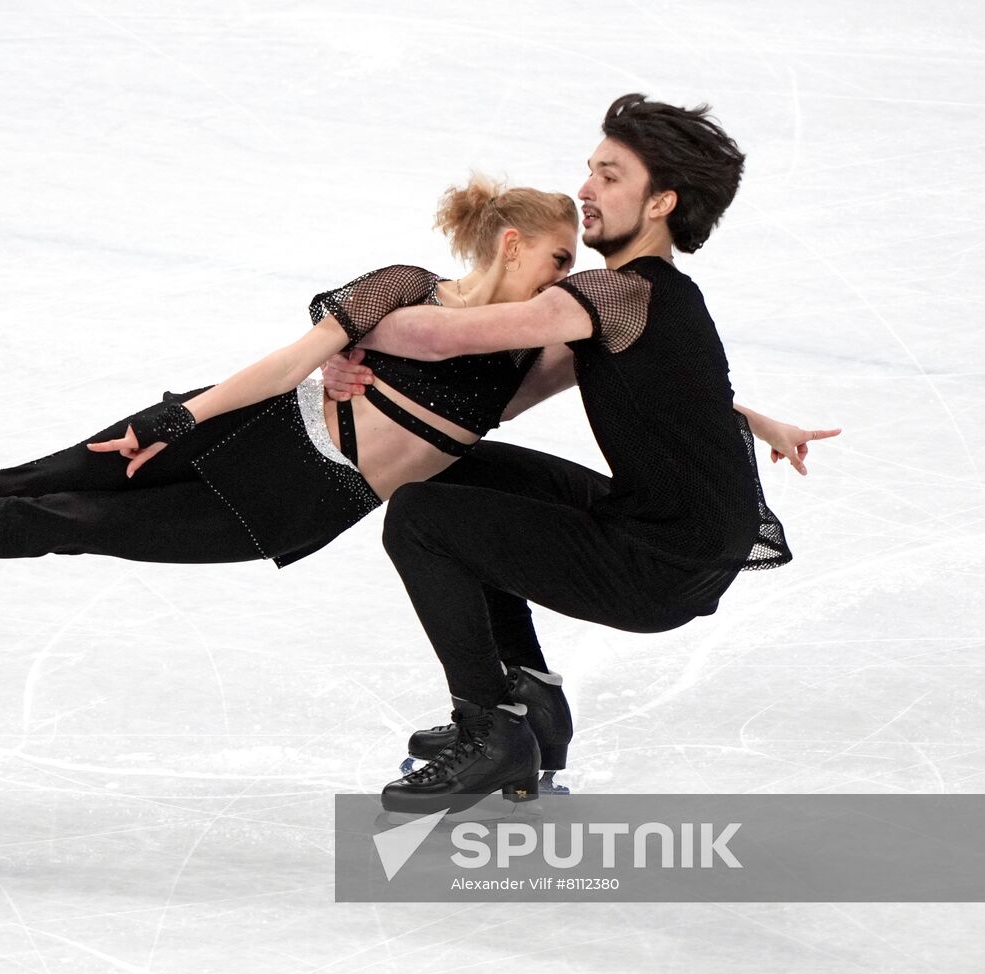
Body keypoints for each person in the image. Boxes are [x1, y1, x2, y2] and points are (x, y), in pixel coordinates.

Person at [336, 94, 843, 814]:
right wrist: (760, 421)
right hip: (676, 532)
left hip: (658, 561)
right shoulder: (658, 296)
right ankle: (531, 705)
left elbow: (441, 337)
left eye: (609, 176)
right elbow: (657, 394)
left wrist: (338, 326)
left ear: (660, 202)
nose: (584, 191)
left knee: (419, 519)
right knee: (454, 474)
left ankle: (487, 729)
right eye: (590, 171)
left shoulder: (611, 294)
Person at [0, 177, 584, 597]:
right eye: (558, 258)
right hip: (247, 421)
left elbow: (604, 351)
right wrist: (176, 419)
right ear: (510, 244)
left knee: (65, 521)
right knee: (43, 477)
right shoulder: (406, 285)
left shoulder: (529, 350)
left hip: (299, 497)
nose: (563, 280)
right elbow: (290, 363)